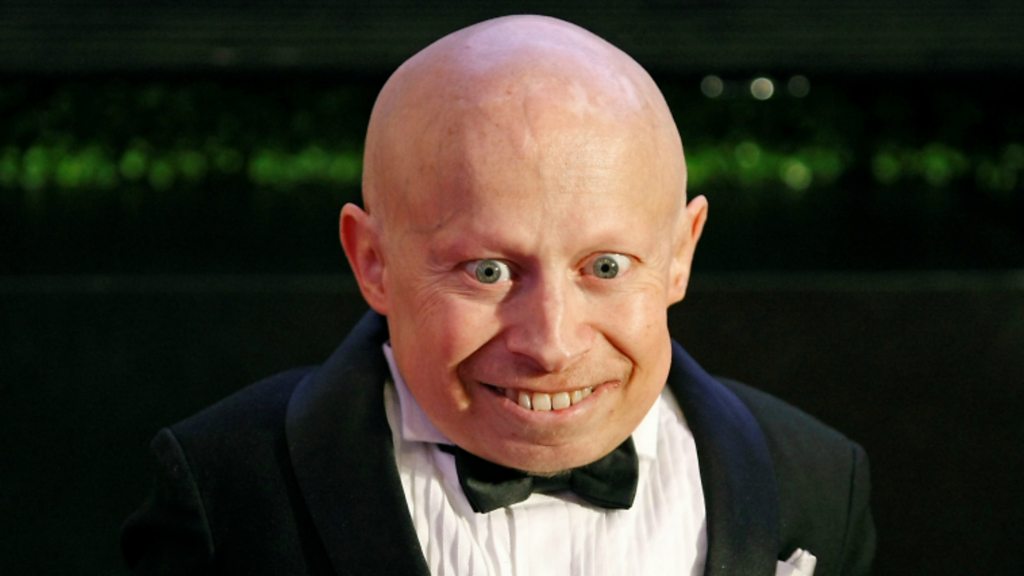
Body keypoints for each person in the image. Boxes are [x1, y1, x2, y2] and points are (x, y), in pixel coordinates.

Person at [122, 15, 875, 576]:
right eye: (488, 272)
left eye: (605, 267)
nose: (551, 344)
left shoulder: (815, 484)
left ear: (680, 255)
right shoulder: (226, 490)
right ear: (373, 262)